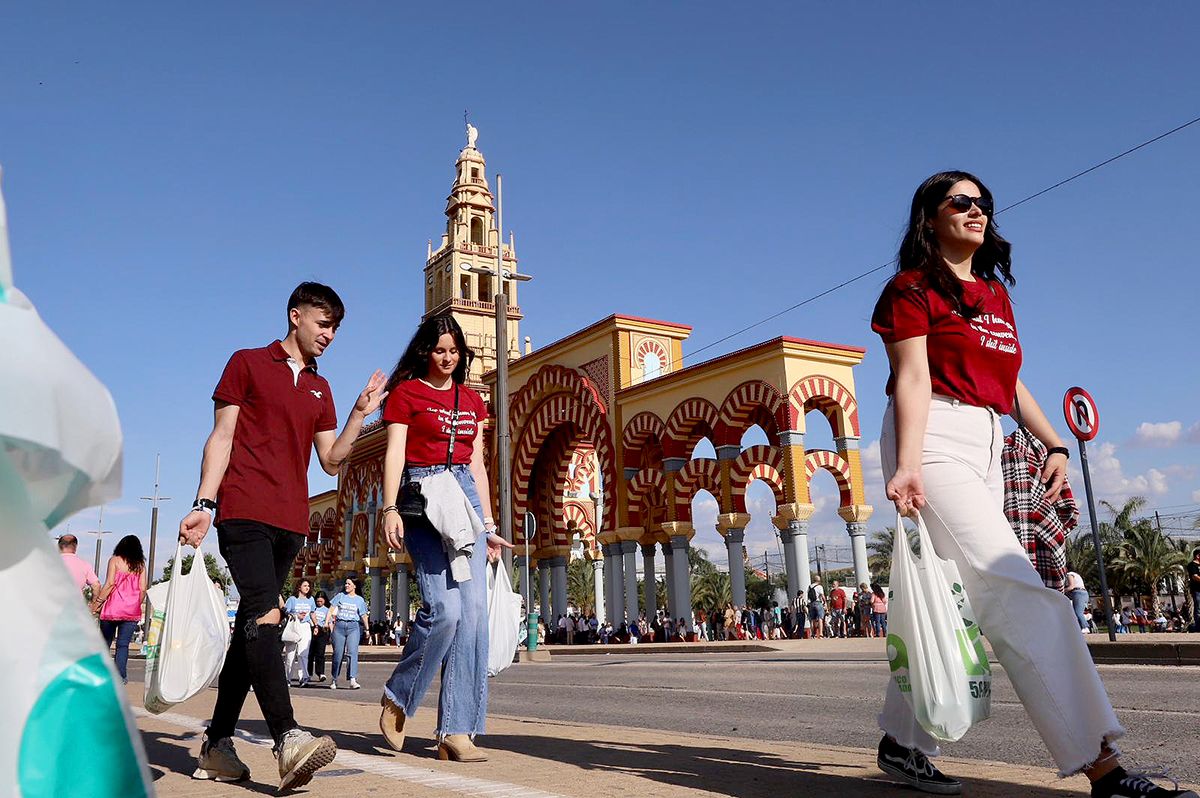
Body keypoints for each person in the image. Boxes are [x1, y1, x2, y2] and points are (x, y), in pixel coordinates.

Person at [871, 170, 1195, 798]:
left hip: (989, 442)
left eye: (984, 204)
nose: (977, 211)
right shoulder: (910, 289)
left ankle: (902, 739)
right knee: (1017, 589)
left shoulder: (994, 294)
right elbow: (911, 377)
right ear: (929, 217)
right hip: (932, 434)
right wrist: (907, 464)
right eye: (961, 202)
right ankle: (1102, 766)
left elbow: (1011, 383)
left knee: (958, 596)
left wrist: (1053, 442)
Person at [178, 282, 387, 790]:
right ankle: (287, 737)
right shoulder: (246, 363)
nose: (329, 335)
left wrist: (361, 412)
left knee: (252, 632)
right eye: (323, 323)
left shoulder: (322, 388)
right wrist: (205, 503)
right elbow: (222, 436)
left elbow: (332, 461)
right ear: (296, 316)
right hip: (243, 510)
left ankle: (218, 746)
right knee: (266, 614)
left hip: (291, 522)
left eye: (335, 328)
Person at [377, 314, 512, 762]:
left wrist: (488, 526)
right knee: (446, 609)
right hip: (421, 496)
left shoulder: (472, 401)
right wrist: (389, 507)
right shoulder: (406, 394)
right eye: (439, 351)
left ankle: (456, 731)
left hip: (464, 497)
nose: (448, 358)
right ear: (425, 352)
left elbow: (476, 466)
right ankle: (399, 696)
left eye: (454, 351)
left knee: (473, 612)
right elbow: (395, 450)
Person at [92, 534, 148, 684]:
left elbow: (110, 584)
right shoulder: (141, 565)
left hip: (112, 609)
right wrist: (135, 603)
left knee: (105, 643)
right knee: (123, 645)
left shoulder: (115, 560)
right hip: (131, 612)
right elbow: (143, 589)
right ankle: (120, 677)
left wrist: (97, 603)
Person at [327, 577, 368, 689]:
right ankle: (334, 679)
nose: (346, 585)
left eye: (349, 584)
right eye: (345, 583)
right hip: (339, 627)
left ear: (354, 586)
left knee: (352, 652)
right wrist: (326, 622)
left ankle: (353, 679)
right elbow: (331, 609)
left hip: (353, 627)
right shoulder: (340, 596)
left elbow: (363, 615)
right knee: (338, 654)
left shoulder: (360, 600)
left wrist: (367, 629)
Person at [283, 579, 315, 686]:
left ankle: (304, 677)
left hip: (305, 626)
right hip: (294, 626)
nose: (307, 588)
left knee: (303, 653)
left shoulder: (310, 599)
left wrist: (316, 626)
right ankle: (288, 678)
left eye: (308, 586)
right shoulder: (292, 599)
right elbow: (286, 612)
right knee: (290, 654)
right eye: (305, 585)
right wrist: (296, 615)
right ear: (299, 587)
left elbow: (312, 613)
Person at [308, 592, 330, 683]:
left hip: (322, 631)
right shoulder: (313, 609)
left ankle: (320, 673)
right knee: (310, 654)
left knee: (320, 653)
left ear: (324, 601)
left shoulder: (327, 610)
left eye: (321, 601)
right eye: (317, 601)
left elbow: (329, 622)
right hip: (311, 630)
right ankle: (308, 673)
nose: (319, 603)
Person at [1188, 548, 1200, 632]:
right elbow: (1194, 576)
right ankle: (1198, 626)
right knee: (1198, 608)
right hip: (1197, 590)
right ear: (1198, 555)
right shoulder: (1192, 565)